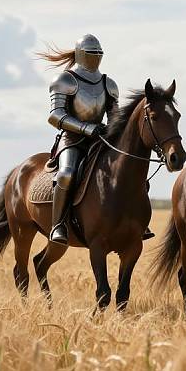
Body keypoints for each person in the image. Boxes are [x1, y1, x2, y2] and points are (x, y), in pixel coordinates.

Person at [43, 34, 155, 245]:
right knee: (66, 175)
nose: (95, 57)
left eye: (98, 53)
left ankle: (138, 222)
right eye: (90, 53)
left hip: (101, 140)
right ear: (79, 55)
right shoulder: (65, 80)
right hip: (73, 140)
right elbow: (55, 115)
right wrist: (86, 128)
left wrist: (110, 130)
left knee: (131, 172)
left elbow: (116, 118)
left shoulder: (108, 83)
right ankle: (58, 224)